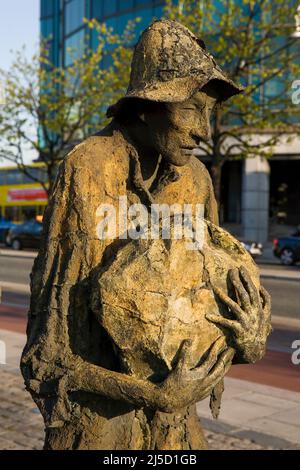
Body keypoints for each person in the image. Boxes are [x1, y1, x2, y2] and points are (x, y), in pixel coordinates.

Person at [21, 19, 271, 450]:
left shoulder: (196, 181)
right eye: (192, 109)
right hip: (99, 426)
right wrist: (150, 393)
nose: (203, 132)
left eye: (208, 113)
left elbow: (213, 305)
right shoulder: (88, 168)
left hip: (177, 430)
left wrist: (246, 339)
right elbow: (47, 356)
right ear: (145, 106)